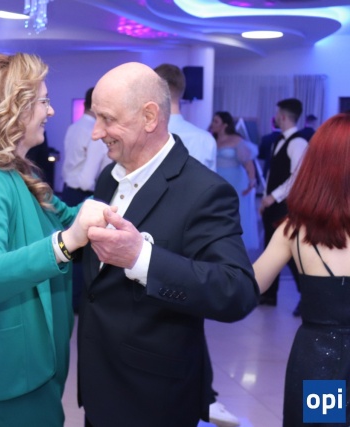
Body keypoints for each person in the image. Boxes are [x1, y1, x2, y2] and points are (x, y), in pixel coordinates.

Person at [77, 62, 259, 427]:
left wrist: (141, 258)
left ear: (149, 117)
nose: (96, 133)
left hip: (154, 397)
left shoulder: (205, 191)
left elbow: (236, 290)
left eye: (107, 119)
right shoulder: (108, 178)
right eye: (96, 118)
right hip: (100, 383)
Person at [0, 52, 110, 427]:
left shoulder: (19, 175)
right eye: (44, 102)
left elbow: (70, 217)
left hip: (32, 366)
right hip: (11, 375)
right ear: (13, 110)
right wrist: (64, 244)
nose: (50, 111)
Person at [253, 112, 350, 427]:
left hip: (320, 363)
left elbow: (248, 285)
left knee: (321, 424)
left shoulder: (293, 231)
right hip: (319, 360)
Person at [155, 64, 239, 427]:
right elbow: (212, 191)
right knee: (189, 317)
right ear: (182, 91)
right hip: (193, 241)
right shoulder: (204, 139)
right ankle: (202, 394)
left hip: (153, 240)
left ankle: (189, 392)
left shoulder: (150, 132)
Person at [61, 86, 111, 313]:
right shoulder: (94, 133)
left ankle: (69, 299)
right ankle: (78, 302)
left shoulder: (73, 127)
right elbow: (88, 177)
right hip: (83, 194)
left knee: (69, 250)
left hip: (67, 191)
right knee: (84, 252)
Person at [259, 98, 308, 311]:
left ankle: (307, 297)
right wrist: (265, 198)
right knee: (270, 249)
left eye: (277, 114)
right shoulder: (279, 140)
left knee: (289, 254)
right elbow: (273, 173)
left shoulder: (298, 142)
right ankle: (269, 295)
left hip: (286, 205)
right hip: (273, 203)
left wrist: (273, 197)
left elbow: (297, 177)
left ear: (283, 117)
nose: (276, 117)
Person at [209, 111, 260, 251]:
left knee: (236, 210)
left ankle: (236, 243)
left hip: (235, 180)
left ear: (225, 125)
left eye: (216, 121)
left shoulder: (236, 140)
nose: (212, 124)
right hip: (217, 178)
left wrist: (251, 182)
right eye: (213, 121)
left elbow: (248, 163)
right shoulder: (210, 139)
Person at [153, 64, 216, 171]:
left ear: (153, 91)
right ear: (182, 92)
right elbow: (212, 181)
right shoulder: (206, 140)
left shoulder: (142, 137)